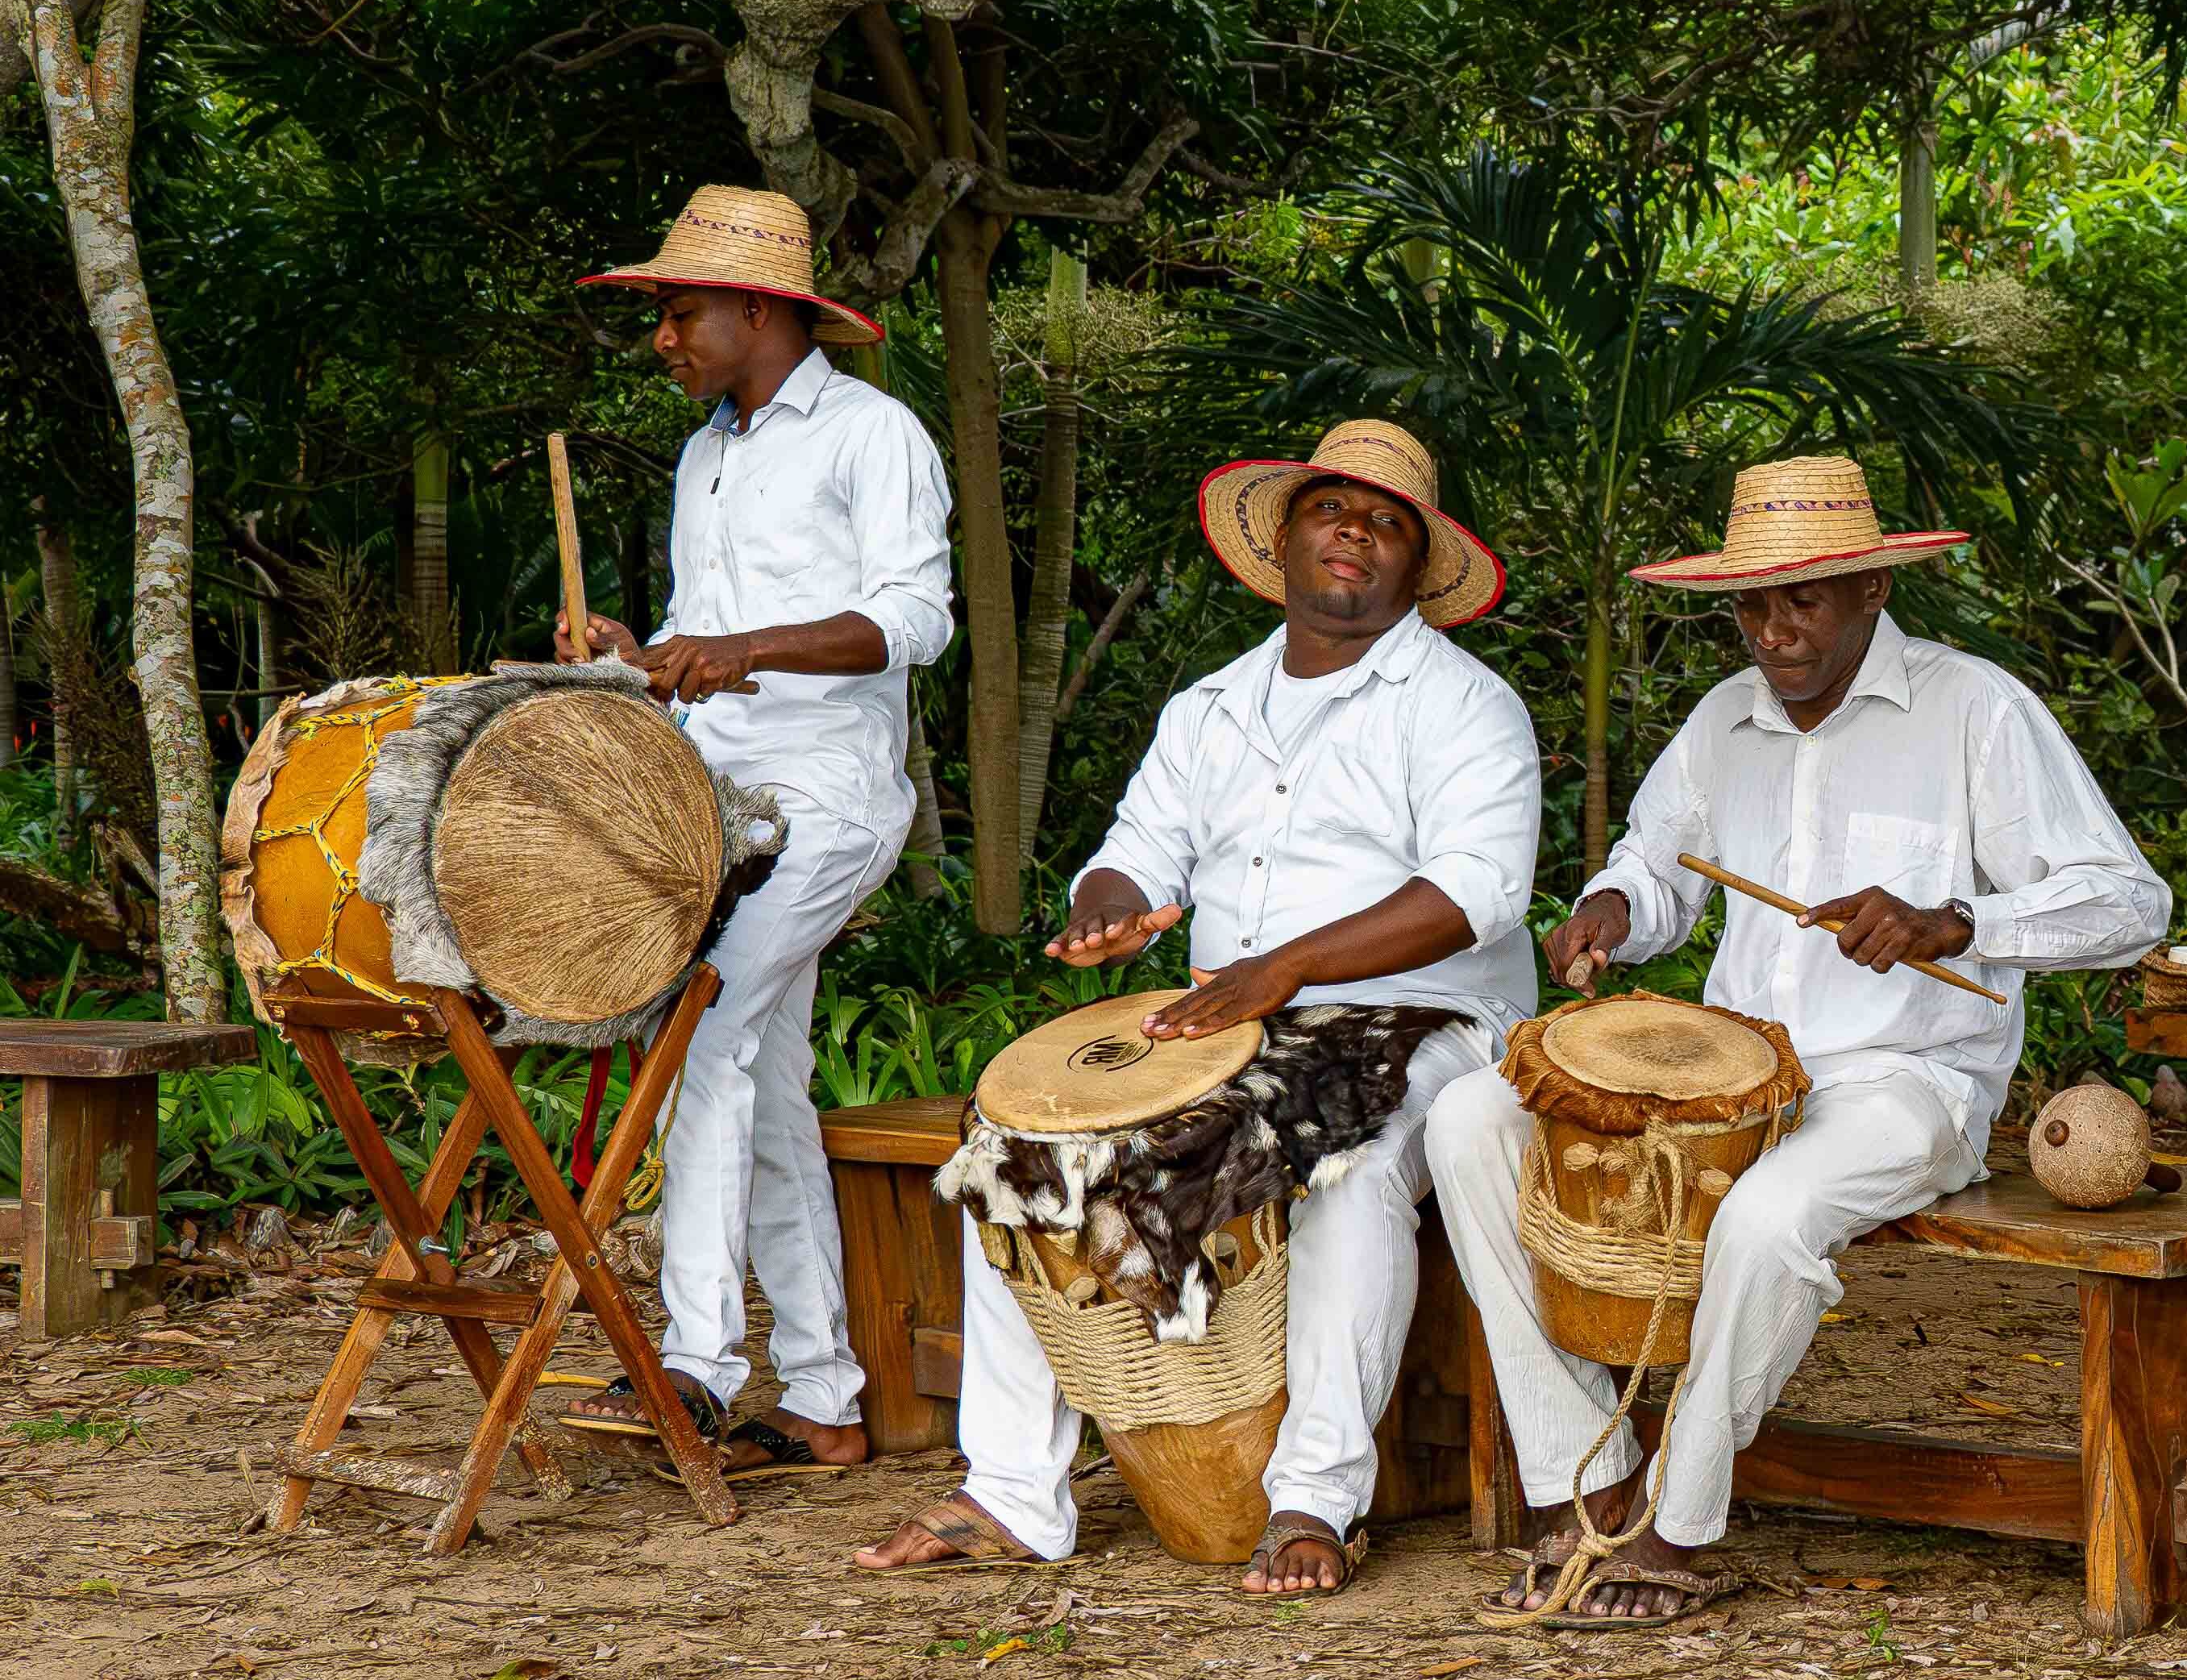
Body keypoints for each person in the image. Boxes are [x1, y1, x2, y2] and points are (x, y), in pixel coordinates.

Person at [1432, 455, 2171, 1627]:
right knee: (1469, 1118)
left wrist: (1958, 920)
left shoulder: (1974, 708)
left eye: (1803, 599)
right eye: (1752, 604)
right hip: (1729, 1075)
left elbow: (2131, 902)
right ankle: (1587, 1472)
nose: (1773, 630)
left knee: (1765, 1217)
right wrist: (1614, 909)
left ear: (1874, 587)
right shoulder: (1724, 720)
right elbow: (1657, 863)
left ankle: (1676, 1522)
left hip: (1907, 1080)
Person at [856, 421, 1540, 1592]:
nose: (1355, 533)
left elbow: (1479, 892)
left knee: (1346, 1168)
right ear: (1283, 539)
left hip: (1422, 1017)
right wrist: (1109, 909)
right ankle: (1011, 1490)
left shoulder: (1464, 704)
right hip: (1236, 1022)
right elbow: (1135, 851)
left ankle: (1315, 1497)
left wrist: (1286, 967)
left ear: (1417, 565)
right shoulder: (1211, 706)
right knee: (1019, 1139)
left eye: (1387, 523)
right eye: (1333, 509)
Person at [555, 186, 952, 1478]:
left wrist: (745, 649)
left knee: (706, 1035)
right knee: (764, 1083)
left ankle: (696, 1367)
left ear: (760, 310)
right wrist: (639, 651)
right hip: (712, 805)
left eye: (681, 313)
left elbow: (916, 621)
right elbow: (700, 632)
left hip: (831, 798)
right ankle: (827, 1396)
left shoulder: (873, 433)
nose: (663, 337)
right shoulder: (704, 454)